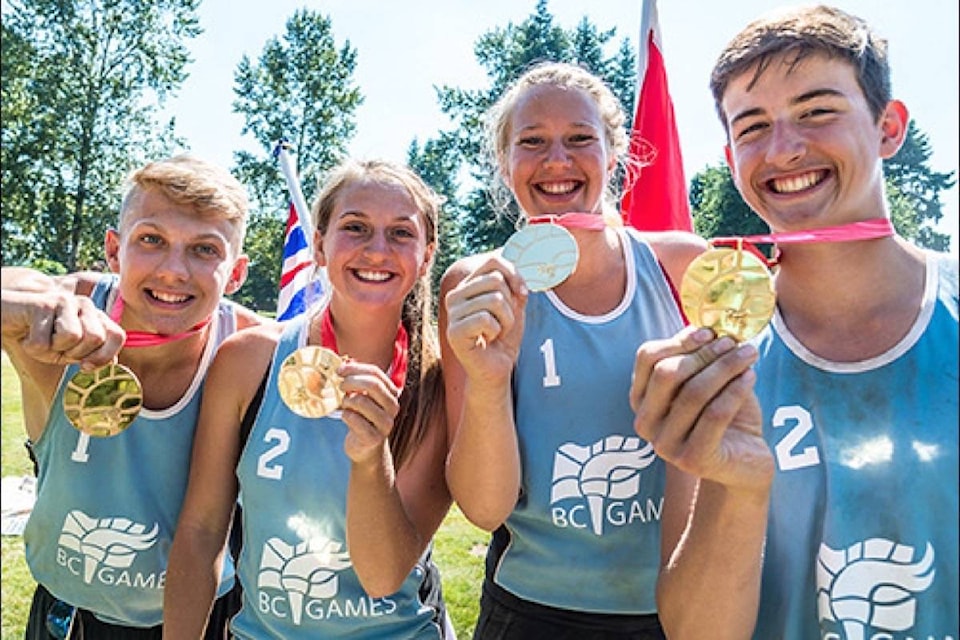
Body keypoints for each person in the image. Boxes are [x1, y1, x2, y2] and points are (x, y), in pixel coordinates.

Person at [631, 5, 958, 639]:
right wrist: (736, 488)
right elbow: (695, 632)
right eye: (752, 127)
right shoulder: (714, 359)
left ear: (888, 127)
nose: (784, 149)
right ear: (731, 158)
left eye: (816, 111)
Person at [440, 61, 756, 638]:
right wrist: (488, 382)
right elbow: (484, 510)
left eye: (580, 138)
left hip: (678, 606)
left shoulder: (683, 267)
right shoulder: (478, 287)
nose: (557, 160)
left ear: (614, 154)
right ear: (505, 163)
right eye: (531, 141)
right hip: (529, 612)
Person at [163, 158, 453, 638]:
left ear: (426, 257)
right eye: (355, 227)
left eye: (400, 233)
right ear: (319, 244)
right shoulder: (248, 362)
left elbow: (383, 575)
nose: (377, 250)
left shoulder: (438, 383)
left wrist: (368, 457)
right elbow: (201, 531)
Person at [0, 155, 265, 639]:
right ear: (113, 249)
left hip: (206, 616)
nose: (173, 271)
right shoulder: (61, 323)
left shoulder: (252, 350)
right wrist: (25, 298)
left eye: (204, 250)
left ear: (236, 273)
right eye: (151, 240)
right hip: (68, 618)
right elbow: (19, 284)